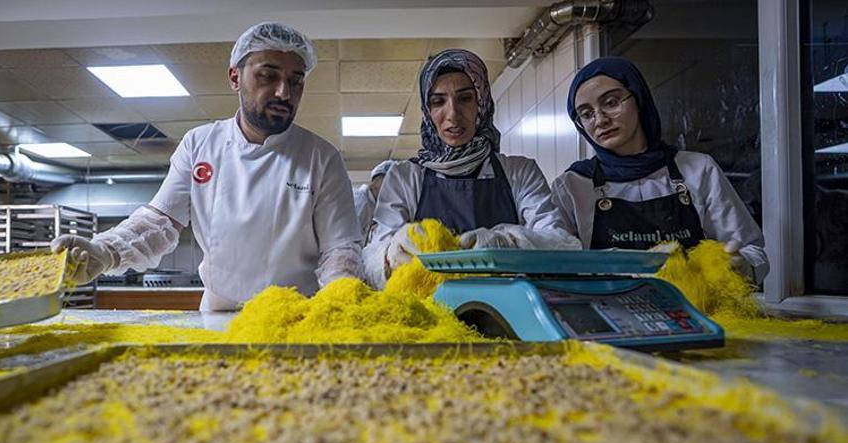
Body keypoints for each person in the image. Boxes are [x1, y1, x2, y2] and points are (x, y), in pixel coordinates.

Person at [51, 22, 362, 310]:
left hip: (297, 315)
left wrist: (341, 303)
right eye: (268, 75)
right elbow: (160, 223)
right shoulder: (200, 144)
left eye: (296, 81)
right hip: (219, 313)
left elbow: (340, 252)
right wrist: (105, 251)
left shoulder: (322, 157)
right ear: (234, 77)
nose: (284, 92)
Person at [363, 49, 580, 288]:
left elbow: (562, 243)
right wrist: (389, 254)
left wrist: (506, 242)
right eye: (438, 102)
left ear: (482, 102)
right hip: (430, 312)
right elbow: (370, 263)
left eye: (465, 98)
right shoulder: (406, 177)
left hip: (508, 309)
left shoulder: (519, 171)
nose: (453, 115)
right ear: (427, 112)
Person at [550, 56, 768, 283]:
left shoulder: (697, 169)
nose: (600, 120)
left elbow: (752, 251)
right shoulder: (573, 186)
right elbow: (558, 266)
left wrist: (742, 267)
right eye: (586, 114)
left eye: (612, 102)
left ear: (640, 99)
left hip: (693, 313)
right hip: (611, 315)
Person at [352, 160, 396, 242]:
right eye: (389, 182)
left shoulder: (371, 206)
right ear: (377, 179)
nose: (391, 189)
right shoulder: (360, 200)